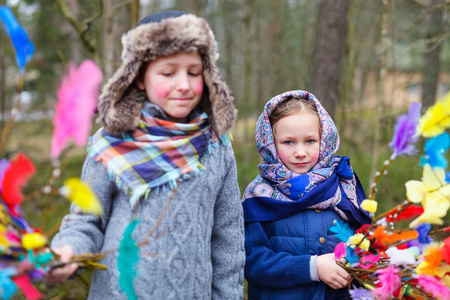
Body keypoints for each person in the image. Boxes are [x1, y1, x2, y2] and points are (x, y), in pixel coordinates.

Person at [47, 10, 245, 300]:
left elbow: (228, 239)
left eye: (193, 72)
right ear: (140, 77)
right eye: (168, 72)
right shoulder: (111, 144)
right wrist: (67, 250)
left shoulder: (216, 147)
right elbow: (85, 220)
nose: (184, 85)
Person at [242, 90, 371, 299]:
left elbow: (364, 245)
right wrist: (313, 268)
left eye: (310, 141)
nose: (300, 152)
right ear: (270, 144)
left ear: (325, 139)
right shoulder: (258, 197)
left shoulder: (343, 187)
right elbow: (252, 262)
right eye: (288, 142)